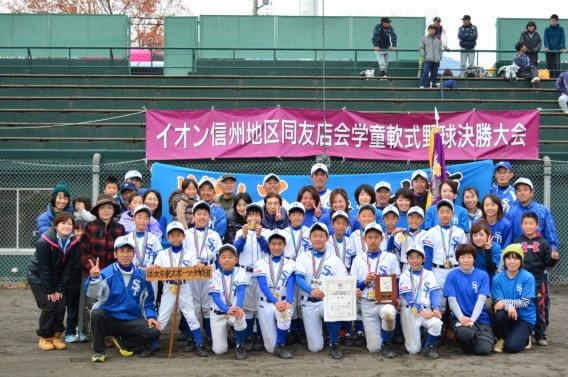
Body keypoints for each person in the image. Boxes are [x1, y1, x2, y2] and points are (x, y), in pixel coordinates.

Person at [85, 235, 161, 361]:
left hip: (130, 320)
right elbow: (92, 294)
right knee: (96, 313)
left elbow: (148, 301)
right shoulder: (106, 273)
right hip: (109, 318)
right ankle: (99, 351)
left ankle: (124, 342)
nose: (125, 255)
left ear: (133, 254)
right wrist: (94, 278)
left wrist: (151, 316)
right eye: (121, 251)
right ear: (115, 254)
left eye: (129, 251)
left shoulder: (142, 276)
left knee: (155, 331)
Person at [146, 221, 208, 357]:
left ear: (184, 236)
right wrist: (154, 267)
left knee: (190, 315)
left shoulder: (189, 254)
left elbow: (196, 266)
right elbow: (156, 268)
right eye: (172, 236)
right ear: (167, 238)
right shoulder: (162, 254)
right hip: (169, 288)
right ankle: (154, 345)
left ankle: (200, 344)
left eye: (179, 235)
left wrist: (199, 266)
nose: (176, 238)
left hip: (184, 287)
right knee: (162, 316)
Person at [28, 212, 80, 351]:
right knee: (50, 305)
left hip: (57, 277)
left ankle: (56, 336)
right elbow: (44, 268)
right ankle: (45, 337)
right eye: (63, 223)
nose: (66, 226)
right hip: (38, 277)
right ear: (56, 225)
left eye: (70, 223)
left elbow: (68, 268)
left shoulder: (73, 242)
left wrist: (60, 289)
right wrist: (50, 290)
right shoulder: (44, 242)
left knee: (61, 304)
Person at [295, 223, 348, 359]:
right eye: (315, 236)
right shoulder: (302, 257)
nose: (318, 239)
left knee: (333, 308)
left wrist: (355, 288)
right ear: (310, 238)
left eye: (321, 236)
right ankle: (322, 336)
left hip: (327, 300)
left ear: (327, 238)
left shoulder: (334, 259)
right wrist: (311, 290)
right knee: (315, 348)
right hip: (308, 302)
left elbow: (344, 281)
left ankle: (334, 342)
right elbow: (298, 279)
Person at [77, 194, 125, 343]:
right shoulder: (89, 227)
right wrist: (93, 269)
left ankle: (108, 334)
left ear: (114, 210)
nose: (106, 210)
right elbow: (84, 252)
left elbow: (123, 252)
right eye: (103, 207)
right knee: (90, 304)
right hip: (92, 272)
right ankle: (90, 333)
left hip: (113, 274)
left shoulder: (120, 229)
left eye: (109, 207)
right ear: (97, 210)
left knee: (110, 303)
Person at [350, 222, 400, 358]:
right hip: (367, 301)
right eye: (370, 237)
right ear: (364, 239)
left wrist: (397, 297)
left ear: (382, 238)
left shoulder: (390, 257)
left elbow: (396, 280)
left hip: (385, 300)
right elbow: (354, 286)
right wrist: (364, 282)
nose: (373, 240)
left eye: (376, 237)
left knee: (389, 313)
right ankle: (381, 342)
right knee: (373, 348)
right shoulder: (358, 260)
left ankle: (388, 342)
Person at [423, 199, 468, 345]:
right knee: (439, 302)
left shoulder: (459, 232)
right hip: (437, 269)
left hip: (455, 268)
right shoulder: (431, 231)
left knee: (456, 300)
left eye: (448, 212)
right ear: (437, 214)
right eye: (441, 212)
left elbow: (463, 253)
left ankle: (455, 330)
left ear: (453, 214)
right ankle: (438, 333)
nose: (444, 215)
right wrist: (427, 272)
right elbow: (428, 253)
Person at [512, 211, 559, 346]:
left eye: (531, 223)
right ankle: (521, 333)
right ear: (521, 225)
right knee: (520, 306)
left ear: (537, 225)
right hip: (521, 282)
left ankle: (540, 335)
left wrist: (553, 259)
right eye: (525, 223)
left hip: (538, 281)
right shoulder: (517, 242)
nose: (528, 226)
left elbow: (547, 263)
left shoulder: (543, 243)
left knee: (539, 308)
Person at [183, 201, 223, 351]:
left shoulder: (214, 235)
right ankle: (191, 337)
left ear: (209, 217)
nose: (202, 217)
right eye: (198, 214)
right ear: (193, 216)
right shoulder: (186, 234)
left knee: (208, 305)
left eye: (205, 214)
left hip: (209, 268)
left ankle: (209, 336)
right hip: (192, 271)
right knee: (192, 305)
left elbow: (219, 256)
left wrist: (218, 275)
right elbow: (183, 254)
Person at [444, 244, 494, 356]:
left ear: (474, 258)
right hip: (459, 318)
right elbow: (452, 300)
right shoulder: (452, 276)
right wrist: (462, 319)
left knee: (483, 351)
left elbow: (481, 300)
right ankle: (464, 341)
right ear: (458, 259)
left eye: (469, 257)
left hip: (480, 319)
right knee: (465, 333)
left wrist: (471, 320)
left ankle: (473, 340)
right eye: (462, 257)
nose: (466, 260)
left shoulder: (483, 275)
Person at [253, 229, 296, 358]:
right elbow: (263, 285)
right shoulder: (260, 263)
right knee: (269, 348)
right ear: (269, 245)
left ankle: (280, 345)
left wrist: (288, 302)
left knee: (284, 316)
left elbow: (290, 283)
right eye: (273, 244)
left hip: (283, 302)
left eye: (279, 244)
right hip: (266, 302)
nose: (276, 247)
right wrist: (275, 301)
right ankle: (279, 340)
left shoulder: (291, 263)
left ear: (285, 245)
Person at [233, 203, 271, 350]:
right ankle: (248, 336)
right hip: (246, 272)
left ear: (262, 217)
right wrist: (243, 235)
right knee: (248, 308)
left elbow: (268, 249)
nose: (253, 218)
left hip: (262, 273)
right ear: (246, 217)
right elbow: (236, 249)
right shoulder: (240, 232)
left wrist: (260, 236)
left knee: (261, 306)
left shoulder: (267, 232)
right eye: (250, 215)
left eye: (256, 215)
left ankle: (260, 336)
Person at [399, 243, 442, 359]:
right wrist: (421, 311)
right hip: (410, 311)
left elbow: (434, 293)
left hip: (426, 309)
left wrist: (436, 308)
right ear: (407, 259)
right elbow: (409, 297)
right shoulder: (404, 275)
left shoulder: (429, 274)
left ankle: (428, 346)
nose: (414, 260)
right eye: (411, 257)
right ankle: (417, 338)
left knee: (437, 323)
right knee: (413, 350)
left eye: (418, 257)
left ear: (424, 259)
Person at [492, 244, 537, 353]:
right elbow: (498, 302)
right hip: (508, 316)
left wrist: (508, 305)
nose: (512, 262)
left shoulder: (528, 277)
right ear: (504, 260)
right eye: (508, 258)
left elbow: (525, 302)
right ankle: (501, 338)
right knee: (499, 312)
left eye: (516, 258)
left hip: (525, 318)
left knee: (512, 347)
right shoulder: (497, 278)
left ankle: (525, 337)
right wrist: (508, 306)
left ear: (521, 260)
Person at [325, 210, 360, 346]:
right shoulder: (328, 241)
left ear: (347, 225)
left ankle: (347, 331)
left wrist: (351, 275)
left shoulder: (350, 241)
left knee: (347, 302)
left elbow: (351, 260)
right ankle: (331, 333)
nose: (340, 226)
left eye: (343, 223)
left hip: (346, 273)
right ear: (332, 224)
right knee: (332, 303)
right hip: (332, 276)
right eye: (337, 223)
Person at [208, 244, 249, 360]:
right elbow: (215, 296)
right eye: (223, 257)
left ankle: (240, 344)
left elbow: (241, 290)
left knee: (240, 316)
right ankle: (226, 336)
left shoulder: (240, 271)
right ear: (219, 260)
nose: (227, 259)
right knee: (219, 351)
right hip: (218, 313)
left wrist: (237, 307)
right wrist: (227, 309)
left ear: (236, 259)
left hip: (234, 309)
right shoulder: (214, 274)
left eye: (230, 257)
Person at [282, 201, 311, 345]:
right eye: (293, 214)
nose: (296, 216)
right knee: (291, 298)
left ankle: (303, 330)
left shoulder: (309, 231)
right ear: (289, 215)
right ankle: (292, 330)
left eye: (299, 213)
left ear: (304, 215)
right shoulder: (283, 232)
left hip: (305, 265)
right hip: (289, 265)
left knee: (303, 299)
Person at [506, 178, 559, 252]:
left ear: (532, 193)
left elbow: (550, 234)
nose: (522, 193)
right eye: (519, 190)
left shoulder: (543, 210)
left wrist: (553, 252)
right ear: (516, 194)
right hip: (517, 256)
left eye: (525, 190)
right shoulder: (510, 212)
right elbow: (507, 237)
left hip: (538, 254)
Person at [65, 219, 87, 343]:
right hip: (71, 283)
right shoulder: (70, 245)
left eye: (82, 230)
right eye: (77, 230)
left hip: (83, 280)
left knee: (83, 308)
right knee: (72, 308)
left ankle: (82, 331)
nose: (79, 233)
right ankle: (70, 331)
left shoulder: (87, 245)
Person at [125, 205, 162, 273]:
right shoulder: (127, 238)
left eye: (146, 218)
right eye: (139, 217)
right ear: (133, 219)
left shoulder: (153, 238)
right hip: (132, 273)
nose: (142, 221)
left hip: (150, 274)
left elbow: (160, 257)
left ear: (149, 220)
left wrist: (156, 264)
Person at [390, 206, 427, 272]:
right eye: (411, 218)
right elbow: (389, 249)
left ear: (422, 220)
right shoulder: (401, 233)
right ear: (407, 219)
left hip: (421, 267)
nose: (414, 221)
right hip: (405, 266)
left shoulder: (426, 234)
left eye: (418, 218)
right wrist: (392, 235)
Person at [470, 221, 502, 288]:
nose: (478, 238)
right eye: (475, 235)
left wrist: (488, 250)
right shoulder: (470, 247)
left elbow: (491, 268)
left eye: (481, 235)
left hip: (489, 283)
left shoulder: (495, 247)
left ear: (488, 235)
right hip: (472, 283)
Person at [419, 24, 444, 89]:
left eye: (434, 29)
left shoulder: (438, 41)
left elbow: (440, 50)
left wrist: (440, 57)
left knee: (434, 74)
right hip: (428, 60)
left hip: (436, 61)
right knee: (426, 72)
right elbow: (421, 48)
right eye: (431, 29)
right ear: (428, 30)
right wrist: (424, 56)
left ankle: (432, 85)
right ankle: (422, 85)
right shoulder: (423, 39)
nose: (433, 30)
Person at [544, 14, 566, 78]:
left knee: (557, 66)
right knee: (549, 66)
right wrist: (547, 47)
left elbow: (563, 38)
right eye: (551, 21)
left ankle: (558, 79)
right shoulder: (547, 29)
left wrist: (563, 47)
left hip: (557, 50)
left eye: (554, 21)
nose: (553, 22)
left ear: (557, 21)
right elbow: (546, 39)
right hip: (549, 51)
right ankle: (550, 80)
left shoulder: (561, 29)